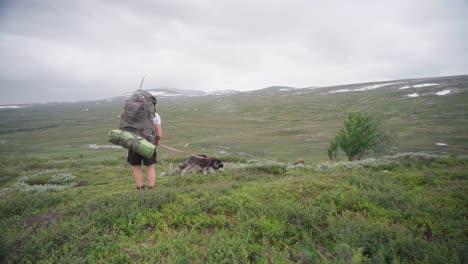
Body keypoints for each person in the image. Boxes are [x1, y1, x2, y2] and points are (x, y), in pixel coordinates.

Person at [127, 113, 162, 190]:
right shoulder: (155, 115)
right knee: (150, 167)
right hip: (148, 144)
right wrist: (157, 141)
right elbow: (159, 134)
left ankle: (140, 189)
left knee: (136, 167)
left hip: (133, 143)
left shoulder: (131, 113)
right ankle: (151, 189)